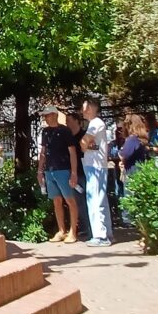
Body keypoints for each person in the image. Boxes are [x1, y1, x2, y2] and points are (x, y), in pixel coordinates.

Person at [36, 106, 81, 244]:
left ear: (54, 115)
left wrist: (73, 173)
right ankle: (62, 230)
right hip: (50, 170)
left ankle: (73, 231)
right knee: (56, 201)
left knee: (70, 200)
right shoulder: (45, 132)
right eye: (44, 116)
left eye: (47, 115)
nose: (45, 118)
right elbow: (43, 151)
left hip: (63, 169)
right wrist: (40, 171)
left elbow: (72, 152)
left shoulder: (65, 131)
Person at [80, 98, 113, 247]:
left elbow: (84, 143)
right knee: (100, 198)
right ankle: (107, 233)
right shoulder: (95, 124)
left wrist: (86, 145)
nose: (83, 111)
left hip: (95, 166)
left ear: (92, 108)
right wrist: (87, 145)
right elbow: (89, 145)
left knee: (94, 199)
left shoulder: (95, 123)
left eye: (85, 108)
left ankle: (100, 236)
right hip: (96, 165)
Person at [116, 114, 152, 226]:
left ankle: (129, 221)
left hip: (132, 171)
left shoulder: (132, 139)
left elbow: (124, 154)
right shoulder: (142, 139)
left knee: (130, 196)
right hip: (141, 169)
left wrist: (119, 154)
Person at [64, 112, 91, 240]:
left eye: (68, 120)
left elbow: (93, 149)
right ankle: (86, 228)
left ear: (76, 121)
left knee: (87, 200)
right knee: (78, 202)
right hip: (74, 173)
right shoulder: (68, 137)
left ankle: (91, 228)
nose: (66, 123)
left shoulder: (84, 135)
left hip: (85, 172)